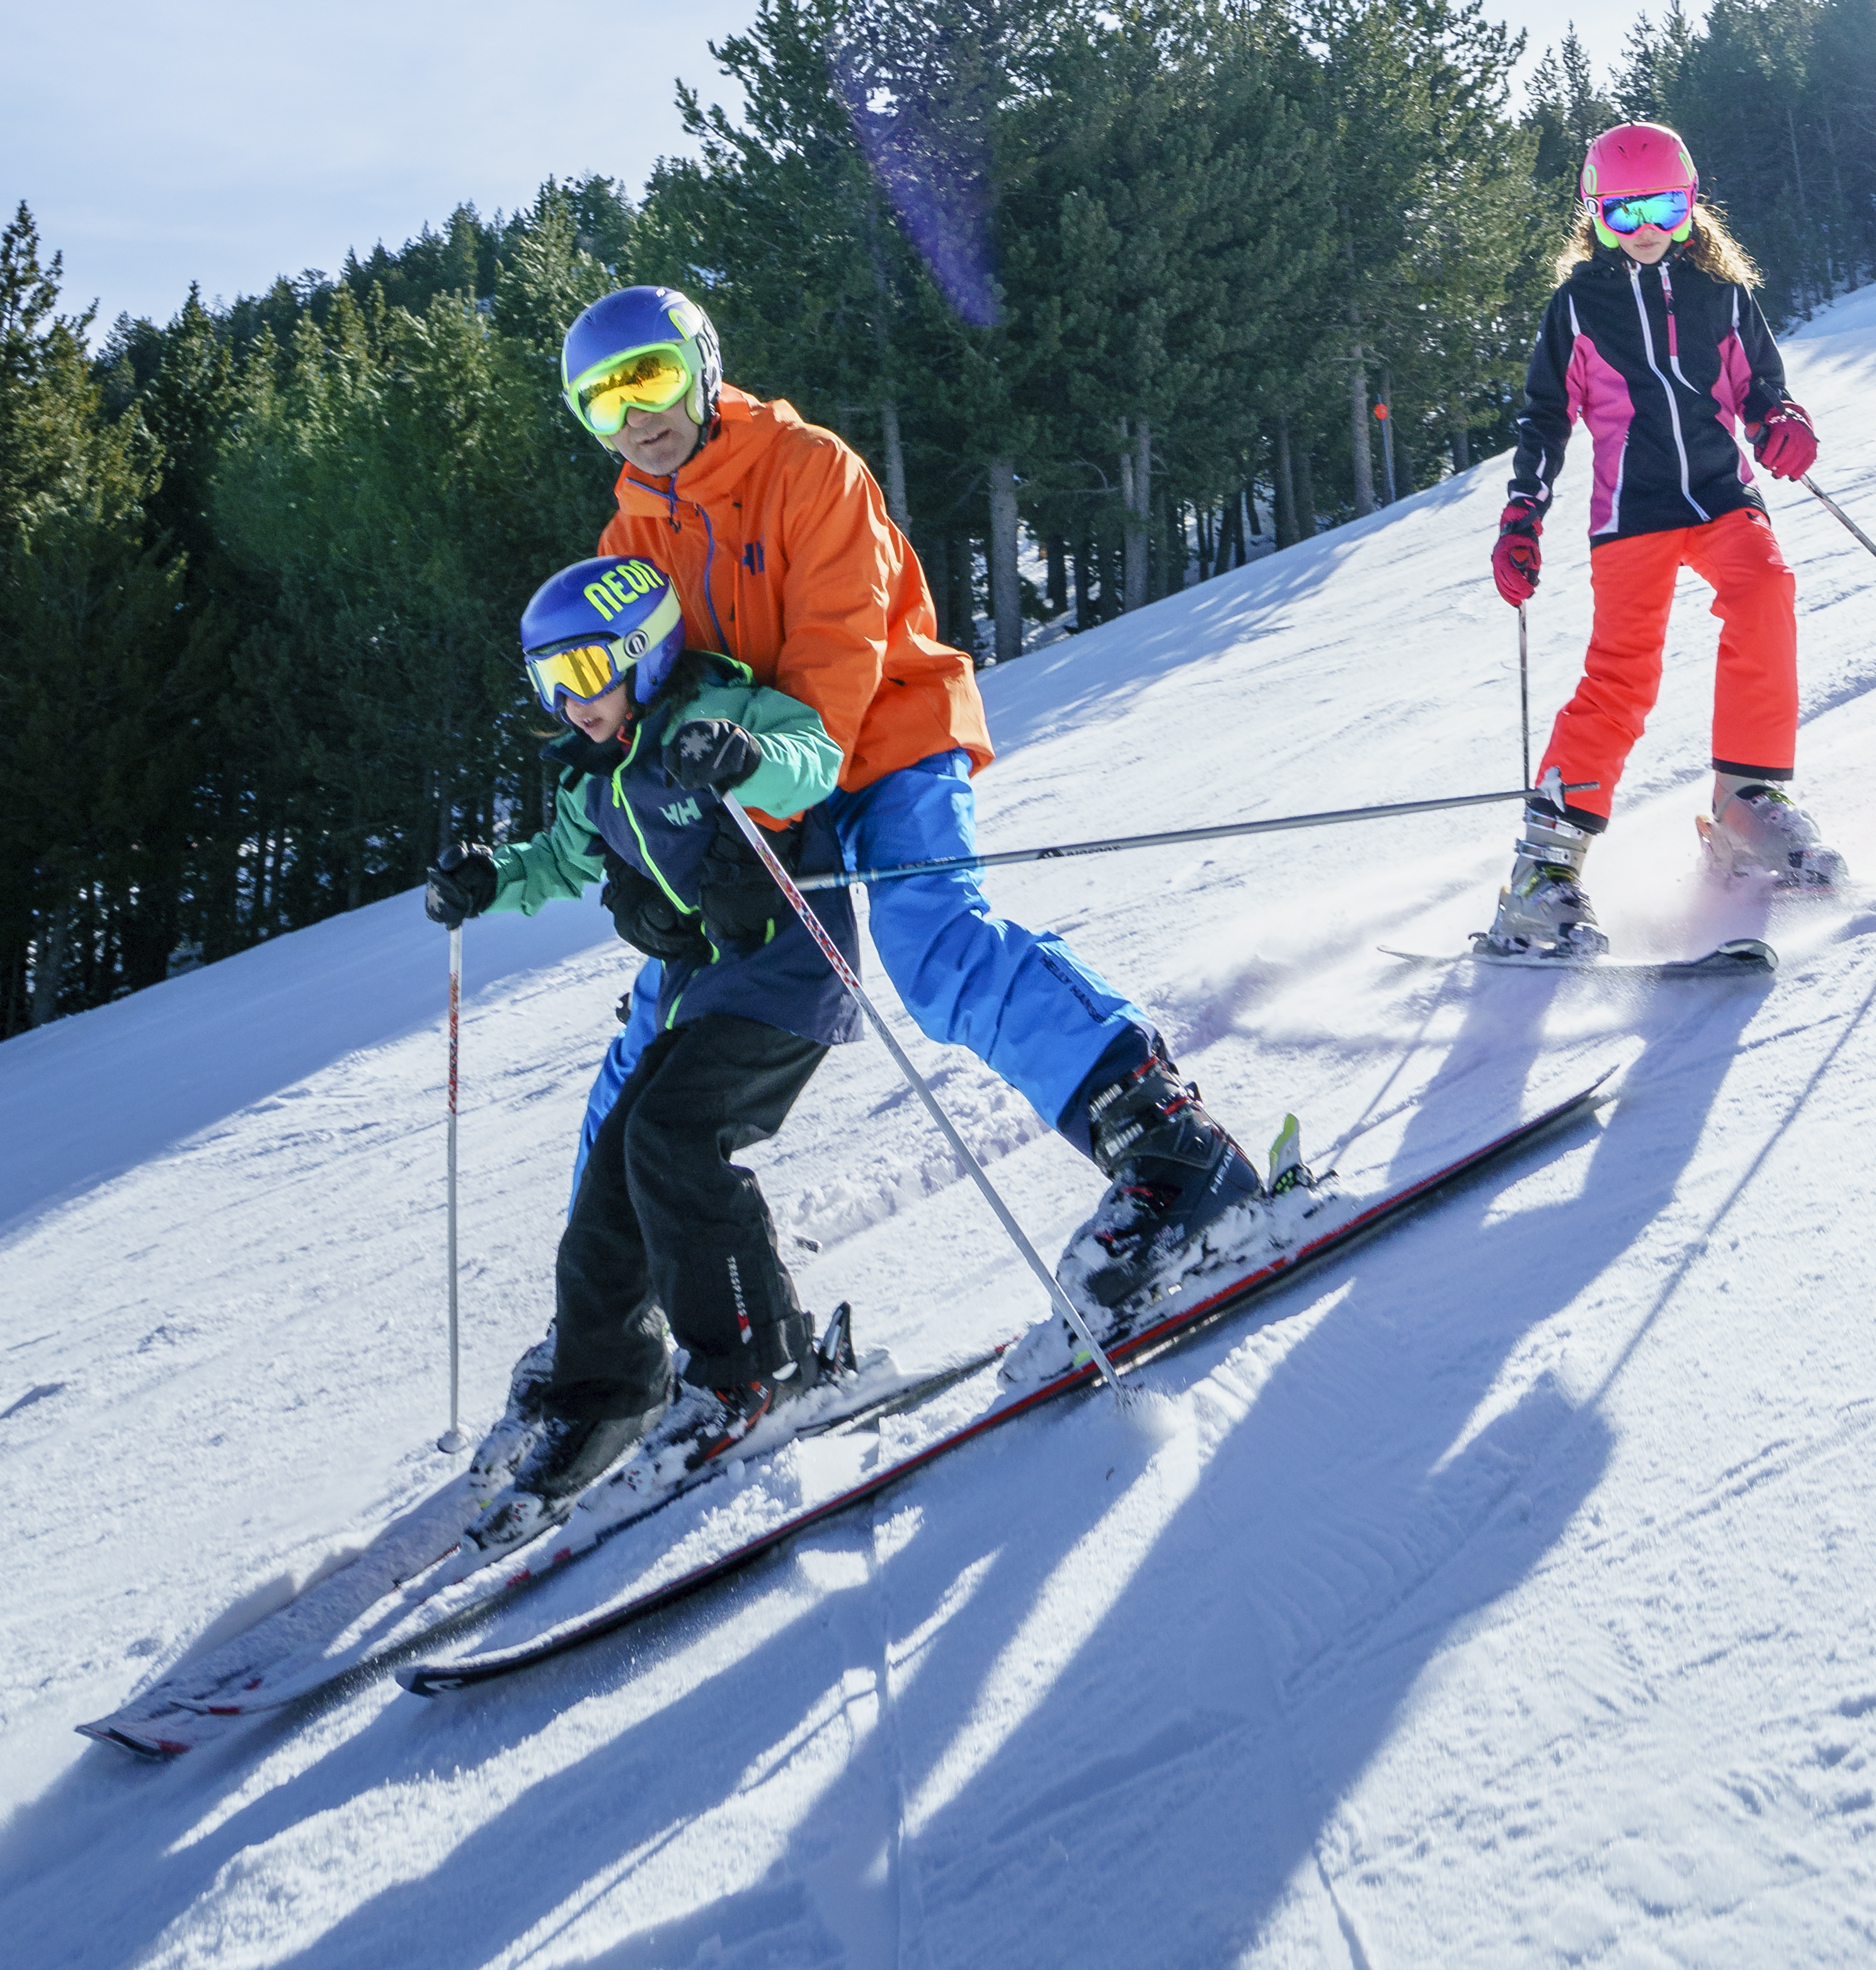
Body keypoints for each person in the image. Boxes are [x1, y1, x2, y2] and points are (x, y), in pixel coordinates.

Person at [554, 287, 1266, 1320]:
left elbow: (841, 664)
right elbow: (640, 718)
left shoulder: (809, 470)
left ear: (702, 371)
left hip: (885, 739)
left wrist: (763, 809)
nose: (635, 418)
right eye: (600, 403)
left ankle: (1170, 1149)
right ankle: (627, 1310)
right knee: (662, 1016)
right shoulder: (628, 542)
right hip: (759, 790)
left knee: (938, 951)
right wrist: (648, 864)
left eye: (651, 380)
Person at [425, 552, 861, 1526]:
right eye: (549, 682)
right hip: (704, 996)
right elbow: (553, 862)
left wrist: (744, 759)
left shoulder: (719, 715)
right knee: (619, 1162)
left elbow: (814, 757)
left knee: (671, 1136)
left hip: (791, 974)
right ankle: (608, 1388)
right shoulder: (599, 782)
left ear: (645, 653)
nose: (569, 701)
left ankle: (758, 1366)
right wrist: (487, 882)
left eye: (583, 673)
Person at [1484, 124, 1825, 956]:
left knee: (1764, 593)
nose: (1645, 226)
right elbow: (1542, 418)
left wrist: (1781, 422)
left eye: (1665, 207)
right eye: (1623, 210)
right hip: (1629, 511)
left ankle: (1747, 804)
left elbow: (1760, 388)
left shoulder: (1722, 292)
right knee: (1621, 678)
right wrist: (1522, 513)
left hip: (1718, 494)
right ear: (1594, 216)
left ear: (1689, 205)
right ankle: (1542, 876)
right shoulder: (1576, 307)